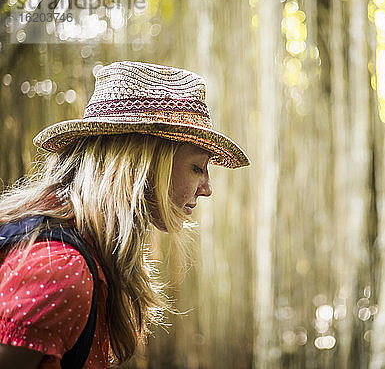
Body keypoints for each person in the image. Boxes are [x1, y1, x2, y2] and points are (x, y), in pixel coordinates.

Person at [0, 61, 250, 368]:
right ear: (143, 165)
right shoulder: (62, 269)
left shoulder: (85, 249)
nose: (207, 188)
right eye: (197, 167)